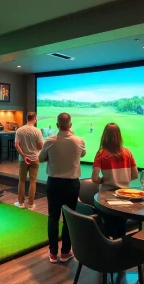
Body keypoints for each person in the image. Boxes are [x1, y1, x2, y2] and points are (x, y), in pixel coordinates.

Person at [39, 113, 86, 263]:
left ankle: (53, 253)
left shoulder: (50, 140)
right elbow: (83, 154)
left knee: (53, 217)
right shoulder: (79, 140)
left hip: (54, 183)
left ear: (57, 125)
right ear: (70, 125)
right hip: (72, 184)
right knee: (68, 219)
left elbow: (40, 158)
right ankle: (65, 252)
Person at [91, 122, 138, 238]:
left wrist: (103, 180)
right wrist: (124, 179)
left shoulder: (101, 153)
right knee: (120, 229)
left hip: (106, 198)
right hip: (125, 197)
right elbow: (135, 175)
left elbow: (94, 178)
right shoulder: (128, 152)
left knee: (108, 229)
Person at [14, 112, 43, 210]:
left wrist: (24, 156)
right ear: (34, 118)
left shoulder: (19, 130)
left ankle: (21, 203)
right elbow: (40, 146)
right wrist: (35, 149)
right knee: (33, 181)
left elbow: (17, 145)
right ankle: (31, 204)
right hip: (35, 159)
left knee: (21, 181)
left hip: (23, 160)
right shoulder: (37, 131)